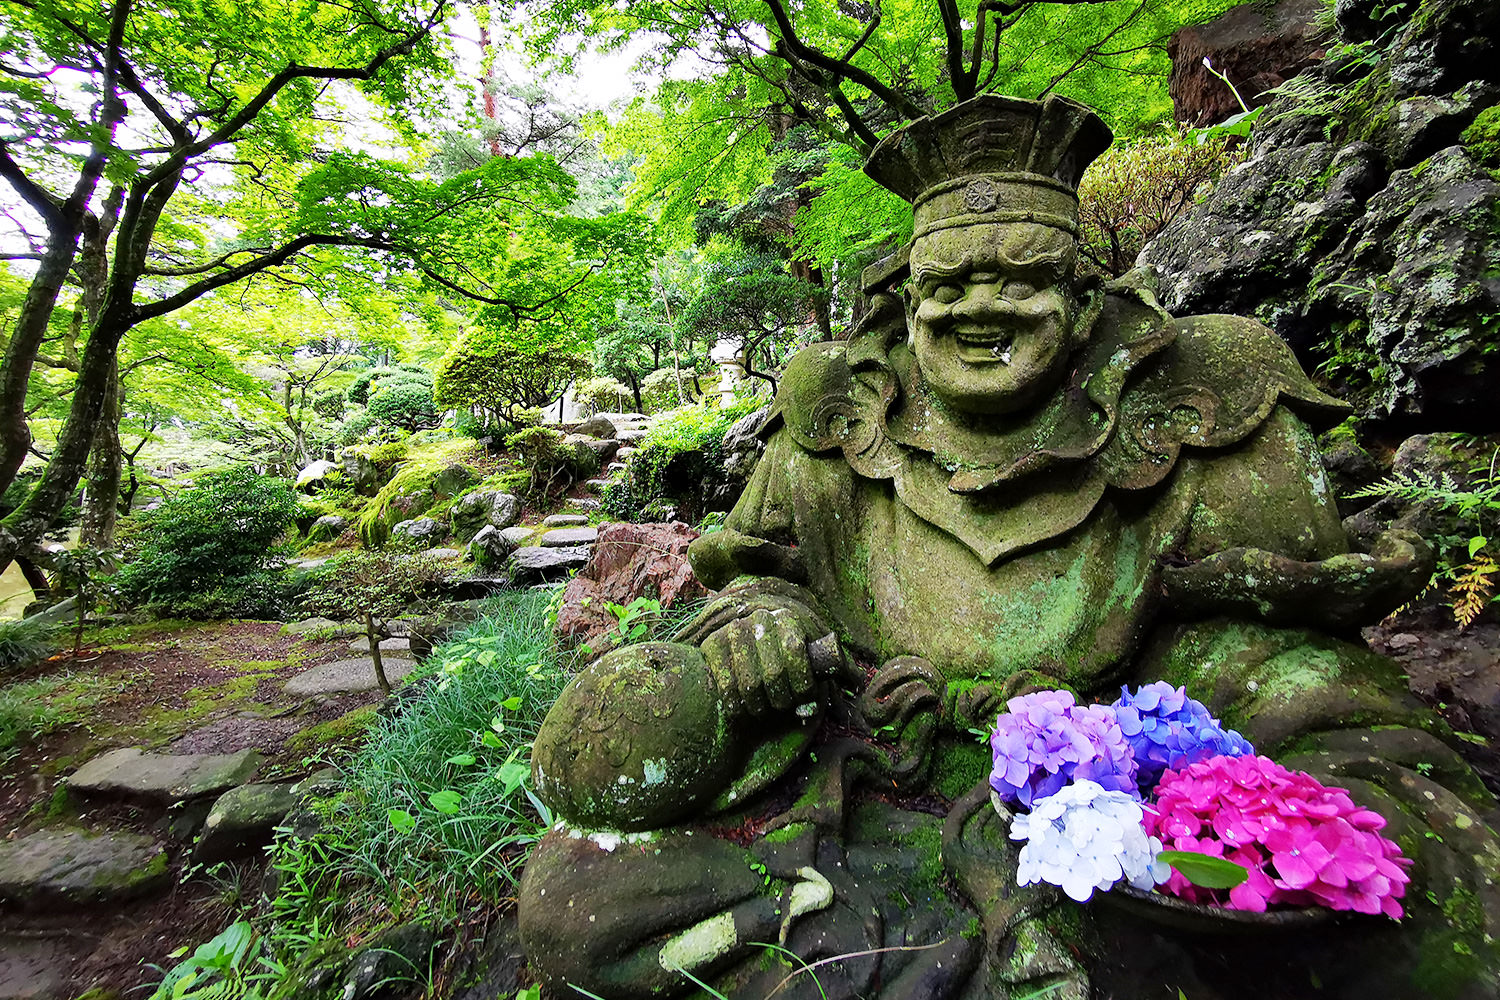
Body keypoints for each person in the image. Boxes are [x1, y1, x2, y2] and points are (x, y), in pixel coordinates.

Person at [518, 94, 1499, 1000]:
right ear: (905, 300)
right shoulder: (833, 407)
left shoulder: (1199, 393)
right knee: (584, 905)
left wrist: (1173, 753)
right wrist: (764, 631)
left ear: (1082, 295)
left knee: (1419, 881)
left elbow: (1285, 648)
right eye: (944, 284)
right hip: (874, 776)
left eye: (1020, 279)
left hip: (1129, 785)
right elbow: (758, 581)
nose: (976, 307)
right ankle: (930, 947)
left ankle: (996, 953)